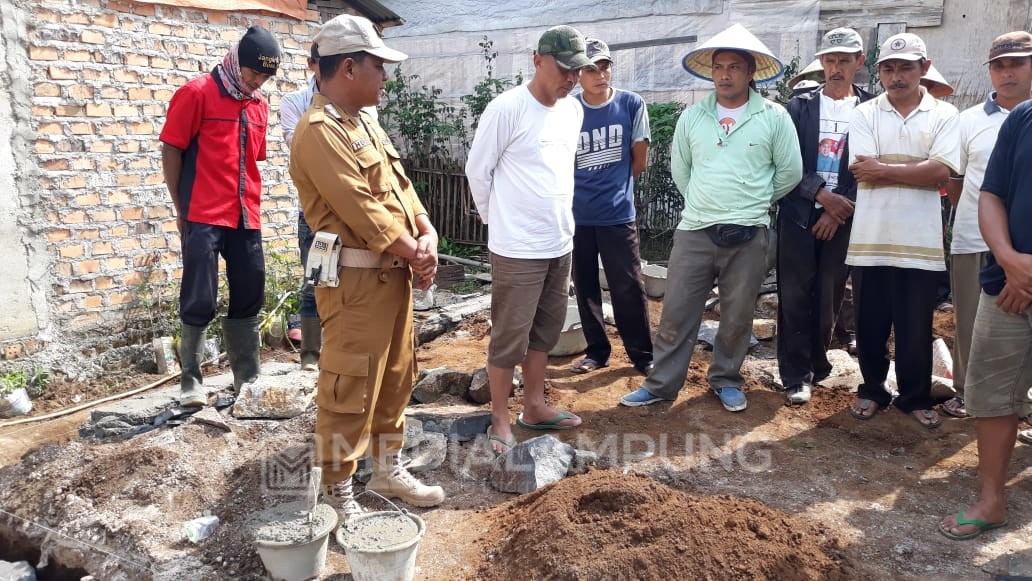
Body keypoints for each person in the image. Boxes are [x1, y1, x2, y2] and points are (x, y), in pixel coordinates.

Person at [289, 14, 445, 517]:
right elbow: (362, 209)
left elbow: (401, 189)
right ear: (350, 68)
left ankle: (387, 468)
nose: (385, 76)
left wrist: (427, 231)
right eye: (379, 67)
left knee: (396, 374)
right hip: (354, 280)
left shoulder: (364, 125)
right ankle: (337, 490)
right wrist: (414, 250)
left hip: (391, 274)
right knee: (349, 384)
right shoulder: (318, 132)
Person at [620, 23, 802, 412]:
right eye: (719, 66)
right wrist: (706, 204)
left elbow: (790, 172)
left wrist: (752, 203)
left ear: (751, 73)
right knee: (676, 312)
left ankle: (726, 380)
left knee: (737, 315)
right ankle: (661, 385)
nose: (724, 74)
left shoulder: (774, 117)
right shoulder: (693, 117)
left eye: (734, 67)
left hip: (750, 233)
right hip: (695, 230)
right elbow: (682, 170)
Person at [465, 25, 592, 454]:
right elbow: (477, 172)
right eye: (564, 69)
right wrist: (498, 222)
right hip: (517, 247)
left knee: (546, 331)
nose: (571, 79)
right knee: (509, 335)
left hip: (559, 240)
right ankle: (500, 416)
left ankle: (534, 406)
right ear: (538, 61)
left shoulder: (572, 111)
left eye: (577, 71)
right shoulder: (507, 109)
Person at [159, 26, 281, 407]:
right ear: (236, 62)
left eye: (264, 77)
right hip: (203, 212)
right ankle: (190, 380)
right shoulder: (196, 94)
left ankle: (246, 378)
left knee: (251, 288)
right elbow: (171, 149)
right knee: (199, 295)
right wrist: (182, 210)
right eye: (252, 74)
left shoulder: (258, 105)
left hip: (246, 214)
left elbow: (250, 161)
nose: (256, 82)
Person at [845, 32, 960, 428]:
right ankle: (872, 389)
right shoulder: (863, 113)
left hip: (920, 241)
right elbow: (861, 170)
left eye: (905, 67)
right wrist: (916, 170)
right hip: (870, 239)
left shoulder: (945, 115)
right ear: (879, 72)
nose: (896, 76)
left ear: (924, 69)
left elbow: (942, 171)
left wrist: (884, 169)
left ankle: (913, 397)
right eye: (889, 68)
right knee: (870, 322)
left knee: (915, 325)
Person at [938, 55, 1032, 539]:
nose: (1009, 72)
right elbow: (990, 194)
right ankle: (992, 499)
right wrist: (1011, 260)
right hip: (1009, 283)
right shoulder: (1023, 120)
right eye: (1001, 65)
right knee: (993, 392)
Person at [776, 27, 874, 405]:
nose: (836, 68)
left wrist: (838, 209)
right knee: (795, 293)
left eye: (844, 61)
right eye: (830, 60)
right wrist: (818, 193)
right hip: (799, 214)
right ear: (821, 63)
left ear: (858, 63)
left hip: (844, 217)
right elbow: (784, 161)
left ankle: (817, 362)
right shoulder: (798, 107)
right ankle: (795, 374)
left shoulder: (869, 110)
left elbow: (869, 164)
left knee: (830, 294)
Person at [942, 32, 1032, 420]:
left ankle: (1023, 403)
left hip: (1027, 252)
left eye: (1016, 63)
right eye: (998, 65)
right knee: (971, 322)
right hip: (973, 239)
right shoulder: (967, 121)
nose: (1006, 72)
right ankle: (966, 393)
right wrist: (999, 246)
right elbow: (956, 181)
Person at [568, 38, 654, 377]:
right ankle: (597, 351)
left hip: (617, 214)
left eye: (604, 66)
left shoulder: (631, 104)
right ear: (578, 74)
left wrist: (613, 188)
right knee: (585, 284)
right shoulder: (569, 110)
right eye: (590, 68)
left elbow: (639, 162)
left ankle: (642, 355)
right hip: (576, 215)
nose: (599, 73)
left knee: (628, 285)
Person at [281, 43, 323, 371]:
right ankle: (311, 353)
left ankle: (341, 351)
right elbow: (303, 154)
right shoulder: (295, 103)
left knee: (352, 284)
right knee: (315, 282)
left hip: (352, 213)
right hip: (314, 211)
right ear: (312, 65)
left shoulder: (362, 106)